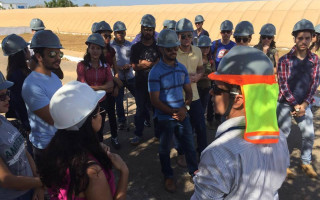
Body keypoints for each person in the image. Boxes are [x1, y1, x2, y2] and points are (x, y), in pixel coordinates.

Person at [191, 46, 289, 200]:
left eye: (216, 88)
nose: (211, 92)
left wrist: (209, 177)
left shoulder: (219, 153)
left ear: (238, 100)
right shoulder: (280, 137)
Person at [38, 81, 129, 200]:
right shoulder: (92, 173)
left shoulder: (55, 151)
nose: (101, 115)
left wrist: (94, 148)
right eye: (99, 111)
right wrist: (124, 171)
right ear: (90, 120)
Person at [148, 29, 198, 193]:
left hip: (182, 114)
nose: (173, 51)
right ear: (161, 49)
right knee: (164, 150)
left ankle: (195, 173)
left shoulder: (182, 69)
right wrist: (172, 112)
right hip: (164, 117)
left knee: (190, 146)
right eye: (169, 49)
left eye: (175, 48)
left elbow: (189, 92)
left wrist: (185, 108)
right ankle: (168, 176)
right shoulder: (155, 72)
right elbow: (154, 100)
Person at [277, 19, 319, 179]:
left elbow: (314, 83)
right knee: (283, 134)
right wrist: (295, 105)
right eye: (300, 38)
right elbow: (283, 85)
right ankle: (284, 165)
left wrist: (305, 104)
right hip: (286, 103)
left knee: (308, 134)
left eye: (307, 38)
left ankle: (306, 163)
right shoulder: (285, 60)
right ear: (294, 38)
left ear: (312, 38)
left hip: (304, 104)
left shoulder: (314, 60)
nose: (304, 41)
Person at [0, 71, 44, 200]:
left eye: (7, 93)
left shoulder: (3, 121)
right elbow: (6, 180)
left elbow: (24, 151)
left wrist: (37, 184)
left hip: (30, 188)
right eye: (1, 96)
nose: (8, 98)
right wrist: (42, 182)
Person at [22, 30, 63, 166]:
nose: (58, 58)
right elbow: (53, 119)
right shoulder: (31, 85)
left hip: (60, 141)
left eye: (59, 53)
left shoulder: (54, 77)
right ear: (39, 56)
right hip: (46, 147)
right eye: (52, 54)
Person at [77, 33, 121, 149]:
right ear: (88, 49)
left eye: (98, 48)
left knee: (99, 130)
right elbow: (83, 86)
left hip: (102, 102)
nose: (95, 51)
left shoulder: (106, 66)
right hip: (86, 103)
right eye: (92, 48)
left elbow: (111, 85)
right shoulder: (82, 65)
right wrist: (102, 87)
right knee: (87, 130)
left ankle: (98, 153)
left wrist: (93, 87)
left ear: (102, 51)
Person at [176, 18, 207, 158]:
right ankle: (182, 155)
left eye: (189, 35)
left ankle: (203, 153)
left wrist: (198, 77)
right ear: (178, 36)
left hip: (194, 96)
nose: (187, 38)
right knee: (182, 129)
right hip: (178, 98)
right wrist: (183, 78)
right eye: (183, 36)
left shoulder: (197, 51)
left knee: (200, 127)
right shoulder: (173, 52)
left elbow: (201, 69)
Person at [130, 14, 160, 145]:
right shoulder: (135, 47)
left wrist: (147, 64)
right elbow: (134, 66)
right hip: (140, 84)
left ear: (154, 30)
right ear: (141, 29)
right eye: (146, 29)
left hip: (155, 85)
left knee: (157, 110)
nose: (148, 32)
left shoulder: (158, 47)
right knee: (140, 110)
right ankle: (138, 134)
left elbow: (160, 64)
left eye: (150, 29)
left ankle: (158, 135)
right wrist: (147, 64)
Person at [93, 21, 121, 148]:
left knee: (111, 114)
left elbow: (115, 71)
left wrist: (115, 86)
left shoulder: (111, 51)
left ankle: (114, 137)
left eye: (110, 36)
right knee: (99, 118)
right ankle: (99, 143)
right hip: (96, 92)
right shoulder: (93, 52)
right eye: (106, 36)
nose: (108, 38)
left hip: (109, 88)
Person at [207, 20, 236, 129]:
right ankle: (209, 119)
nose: (226, 34)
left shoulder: (233, 46)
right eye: (224, 32)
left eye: (228, 32)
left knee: (224, 98)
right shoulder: (215, 44)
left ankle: (219, 119)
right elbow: (209, 56)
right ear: (221, 33)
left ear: (231, 33)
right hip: (215, 76)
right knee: (212, 97)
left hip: (227, 78)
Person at [2, 34, 31, 140]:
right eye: (26, 49)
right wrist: (27, 126)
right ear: (21, 52)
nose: (29, 51)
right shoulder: (17, 75)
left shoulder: (15, 72)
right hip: (25, 124)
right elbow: (18, 103)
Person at [111, 21, 136, 131]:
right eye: (118, 33)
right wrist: (120, 68)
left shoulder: (130, 45)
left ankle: (141, 118)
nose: (121, 34)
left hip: (130, 76)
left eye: (122, 32)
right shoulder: (111, 47)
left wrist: (130, 65)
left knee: (139, 97)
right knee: (119, 101)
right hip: (118, 78)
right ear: (114, 33)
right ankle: (121, 121)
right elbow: (110, 63)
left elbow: (133, 60)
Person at [196, 35, 214, 112]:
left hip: (207, 88)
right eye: (203, 47)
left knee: (203, 108)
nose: (206, 49)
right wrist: (203, 77)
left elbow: (213, 72)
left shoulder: (210, 60)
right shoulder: (195, 59)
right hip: (197, 88)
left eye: (207, 47)